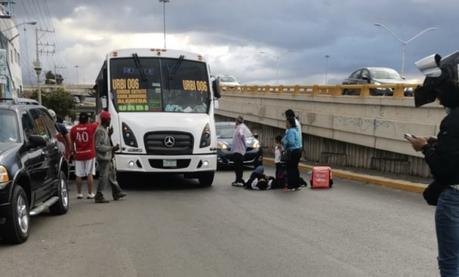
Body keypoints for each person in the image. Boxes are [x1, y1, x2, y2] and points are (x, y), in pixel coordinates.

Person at [406, 66, 459, 275]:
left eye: (438, 96)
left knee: (450, 263)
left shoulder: (452, 121)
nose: (438, 101)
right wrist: (439, 143)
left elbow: (444, 171)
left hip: (454, 198)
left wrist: (425, 148)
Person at [94, 111, 126, 203]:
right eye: (109, 119)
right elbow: (98, 146)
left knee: (112, 176)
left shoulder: (104, 130)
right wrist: (112, 148)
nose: (110, 121)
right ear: (105, 120)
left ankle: (117, 192)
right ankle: (99, 195)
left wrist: (109, 135)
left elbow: (104, 142)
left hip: (107, 157)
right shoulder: (100, 130)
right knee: (103, 177)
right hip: (103, 158)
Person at [70, 112, 99, 199]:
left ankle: (79, 193)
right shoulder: (91, 127)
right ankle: (90, 193)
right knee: (89, 174)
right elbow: (98, 122)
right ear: (87, 119)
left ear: (79, 120)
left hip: (79, 155)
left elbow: (72, 143)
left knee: (78, 174)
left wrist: (73, 153)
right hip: (89, 154)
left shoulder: (74, 129)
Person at [282, 117, 302, 190]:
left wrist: (284, 142)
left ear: (290, 123)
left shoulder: (290, 131)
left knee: (290, 169)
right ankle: (297, 185)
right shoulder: (295, 130)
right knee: (295, 168)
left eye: (286, 122)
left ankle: (292, 185)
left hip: (293, 152)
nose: (285, 124)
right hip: (298, 151)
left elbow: (291, 142)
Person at [231, 116, 247, 187]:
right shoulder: (238, 127)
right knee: (237, 167)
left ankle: (239, 180)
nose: (235, 122)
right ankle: (237, 180)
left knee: (239, 167)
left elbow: (241, 135)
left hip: (239, 151)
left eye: (236, 120)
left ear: (238, 121)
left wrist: (244, 145)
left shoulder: (241, 127)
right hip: (236, 150)